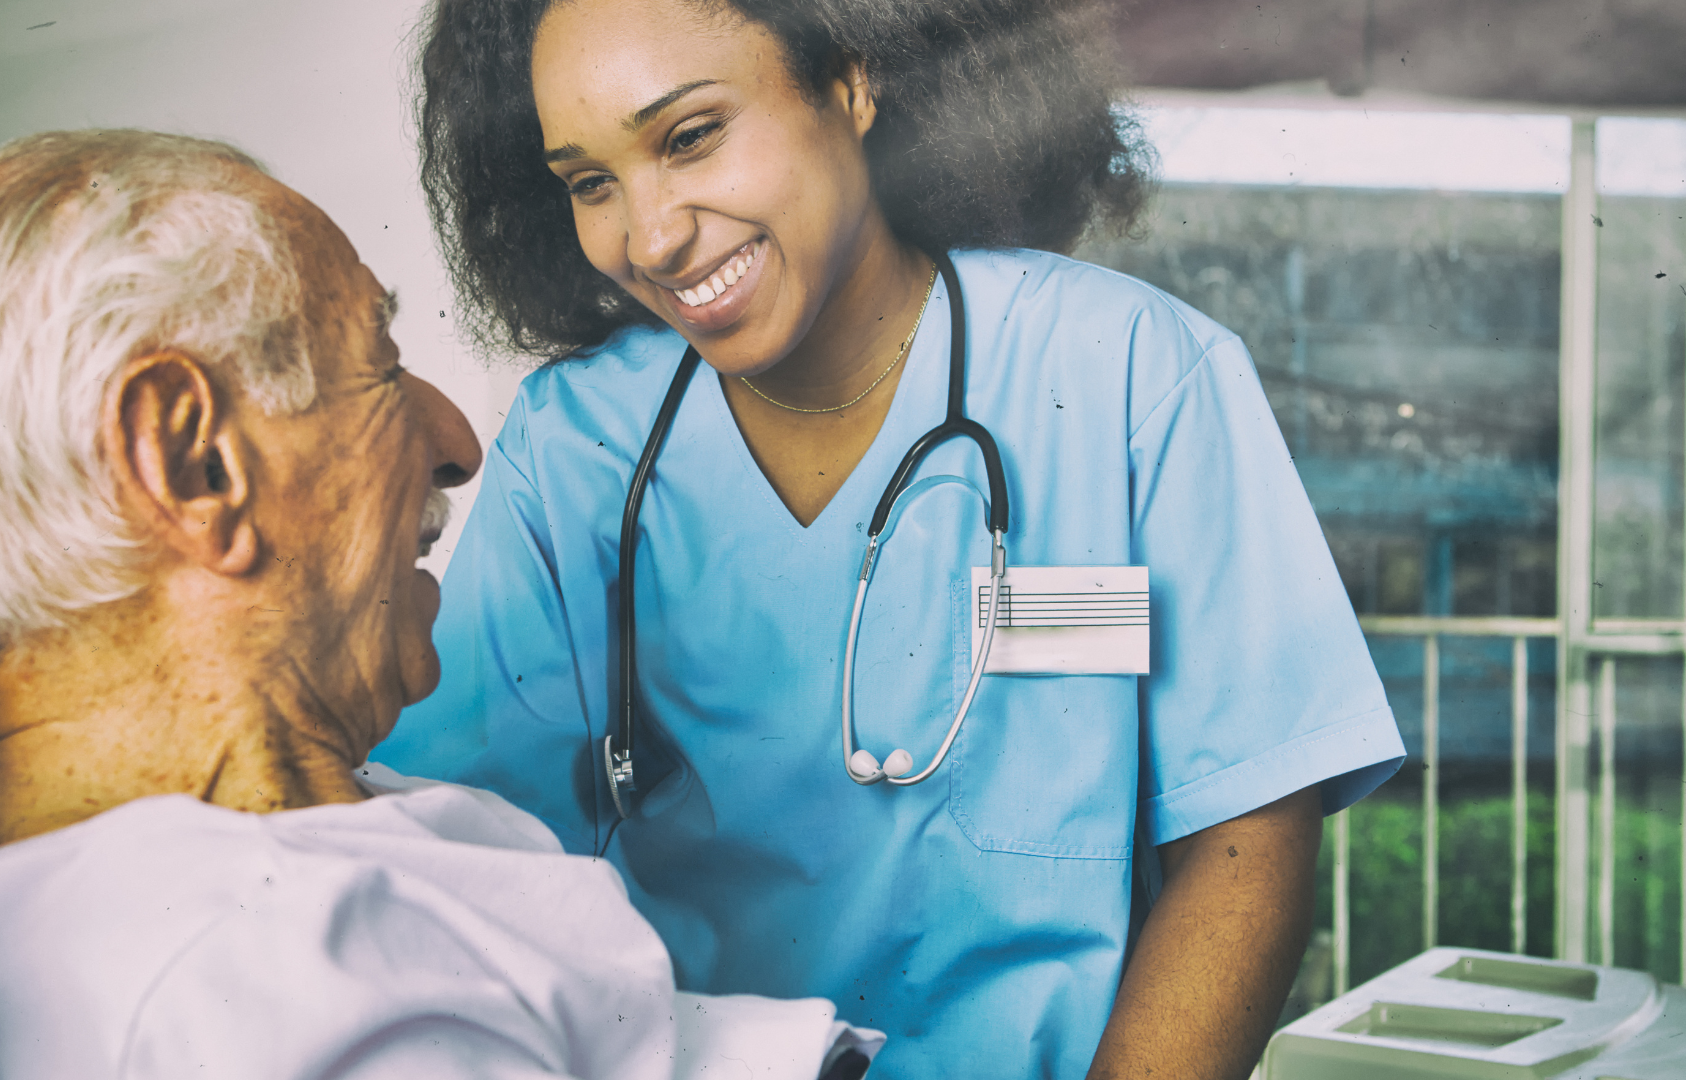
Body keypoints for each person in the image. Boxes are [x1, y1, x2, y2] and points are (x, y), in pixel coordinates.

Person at [371, 1, 1408, 1077]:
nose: (652, 234)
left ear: (852, 84)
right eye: (592, 182)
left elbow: (1247, 837)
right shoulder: (578, 446)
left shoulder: (1129, 374)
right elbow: (460, 848)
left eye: (690, 137)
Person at [0, 129, 880, 1080]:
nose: (459, 446)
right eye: (381, 367)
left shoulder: (242, 855)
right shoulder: (257, 975)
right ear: (192, 463)